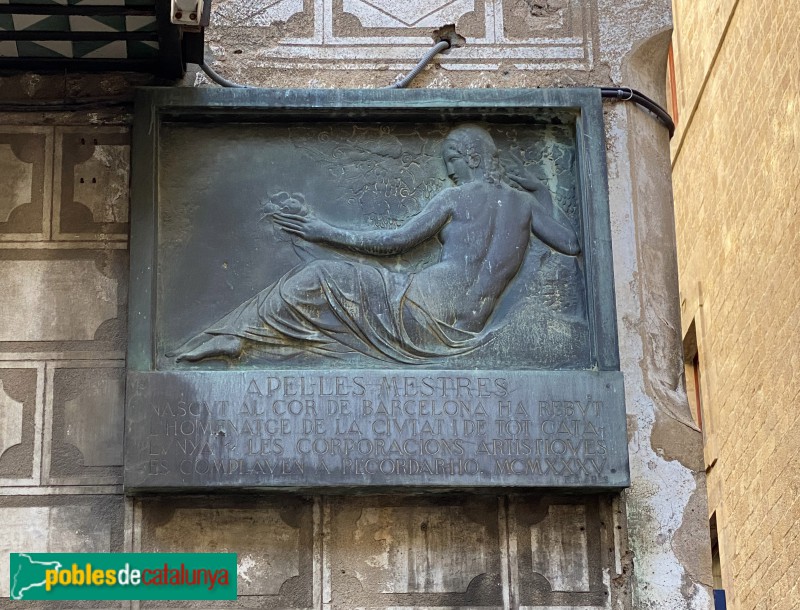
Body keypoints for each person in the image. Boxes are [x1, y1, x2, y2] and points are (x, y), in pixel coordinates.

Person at [172, 125, 580, 364]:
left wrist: (321, 230)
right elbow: (571, 242)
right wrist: (542, 190)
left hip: (420, 308)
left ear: (471, 157)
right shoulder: (526, 206)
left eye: (451, 161)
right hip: (459, 332)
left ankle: (240, 335)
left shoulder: (455, 198)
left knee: (318, 275)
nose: (449, 171)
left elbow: (395, 242)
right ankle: (241, 337)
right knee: (327, 298)